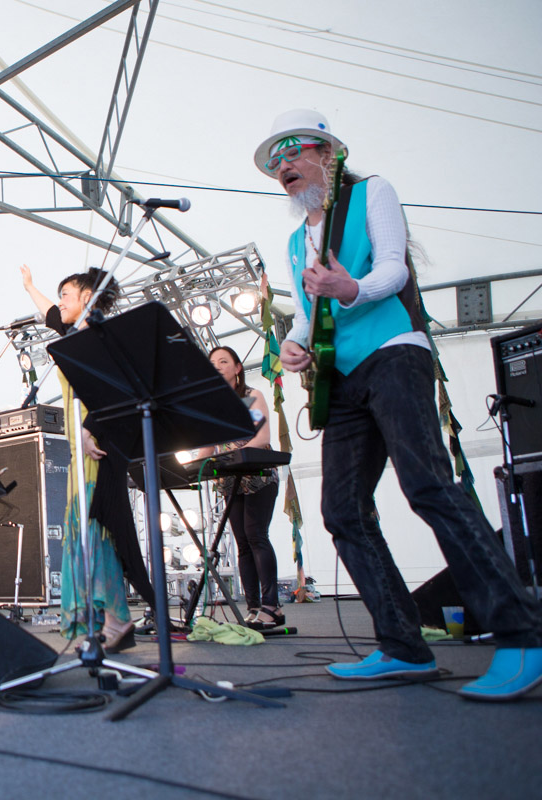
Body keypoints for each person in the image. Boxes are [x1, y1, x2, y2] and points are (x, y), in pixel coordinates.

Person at [257, 108, 542, 699]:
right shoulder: (293, 241)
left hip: (393, 354)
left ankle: (522, 636)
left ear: (327, 153)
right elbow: (308, 314)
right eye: (274, 160)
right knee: (342, 510)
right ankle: (403, 647)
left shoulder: (372, 192)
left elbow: (392, 268)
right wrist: (293, 344)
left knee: (429, 486)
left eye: (293, 151)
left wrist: (352, 287)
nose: (282, 165)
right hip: (343, 378)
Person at [20, 265, 156, 651]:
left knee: (97, 528)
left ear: (87, 297)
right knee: (85, 528)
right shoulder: (74, 337)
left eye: (67, 294)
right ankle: (104, 621)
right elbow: (52, 314)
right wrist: (30, 286)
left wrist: (90, 427)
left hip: (97, 442)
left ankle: (115, 620)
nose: (60, 301)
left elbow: (118, 388)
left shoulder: (100, 335)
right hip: (81, 446)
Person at [198, 346, 282, 629]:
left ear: (237, 368)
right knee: (243, 543)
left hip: (257, 476)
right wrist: (190, 464)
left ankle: (272, 606)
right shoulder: (212, 406)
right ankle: (254, 607)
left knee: (256, 535)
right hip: (230, 481)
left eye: (224, 361)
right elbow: (207, 446)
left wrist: (235, 455)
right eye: (212, 363)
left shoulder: (251, 396)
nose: (217, 366)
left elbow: (262, 437)